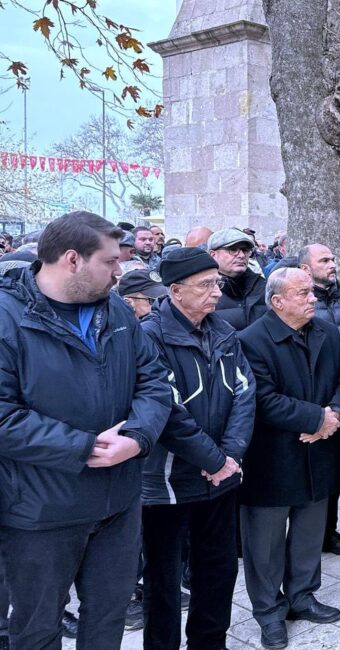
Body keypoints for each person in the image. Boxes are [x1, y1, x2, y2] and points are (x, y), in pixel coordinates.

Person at [0, 211, 172, 648]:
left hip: (118, 501)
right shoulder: (7, 318)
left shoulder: (116, 311)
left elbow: (153, 382)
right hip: (41, 508)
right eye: (111, 262)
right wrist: (85, 447)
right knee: (37, 628)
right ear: (72, 259)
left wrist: (137, 437)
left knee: (108, 619)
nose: (121, 272)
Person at [140, 247, 255, 650]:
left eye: (217, 283)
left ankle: (210, 642)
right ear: (175, 290)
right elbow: (166, 411)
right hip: (167, 484)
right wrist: (214, 459)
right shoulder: (150, 335)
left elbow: (245, 392)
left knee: (218, 570)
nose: (216, 294)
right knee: (164, 580)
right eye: (205, 285)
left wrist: (232, 455)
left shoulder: (222, 331)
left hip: (221, 477)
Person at [238, 268, 340, 648]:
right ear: (277, 302)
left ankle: (302, 596)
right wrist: (315, 417)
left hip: (320, 450)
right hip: (272, 459)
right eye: (302, 293)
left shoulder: (327, 331)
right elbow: (261, 399)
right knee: (265, 543)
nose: (313, 298)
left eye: (311, 292)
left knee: (308, 533)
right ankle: (269, 612)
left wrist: (333, 415)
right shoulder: (251, 341)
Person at [296, 244, 340, 556]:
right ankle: (305, 538)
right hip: (313, 406)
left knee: (335, 471)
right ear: (305, 269)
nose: (333, 264)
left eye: (334, 258)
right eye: (325, 260)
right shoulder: (300, 308)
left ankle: (328, 532)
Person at [211, 228, 268, 330]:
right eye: (233, 250)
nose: (241, 255)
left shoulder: (262, 285)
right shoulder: (203, 291)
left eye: (245, 250)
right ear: (213, 254)